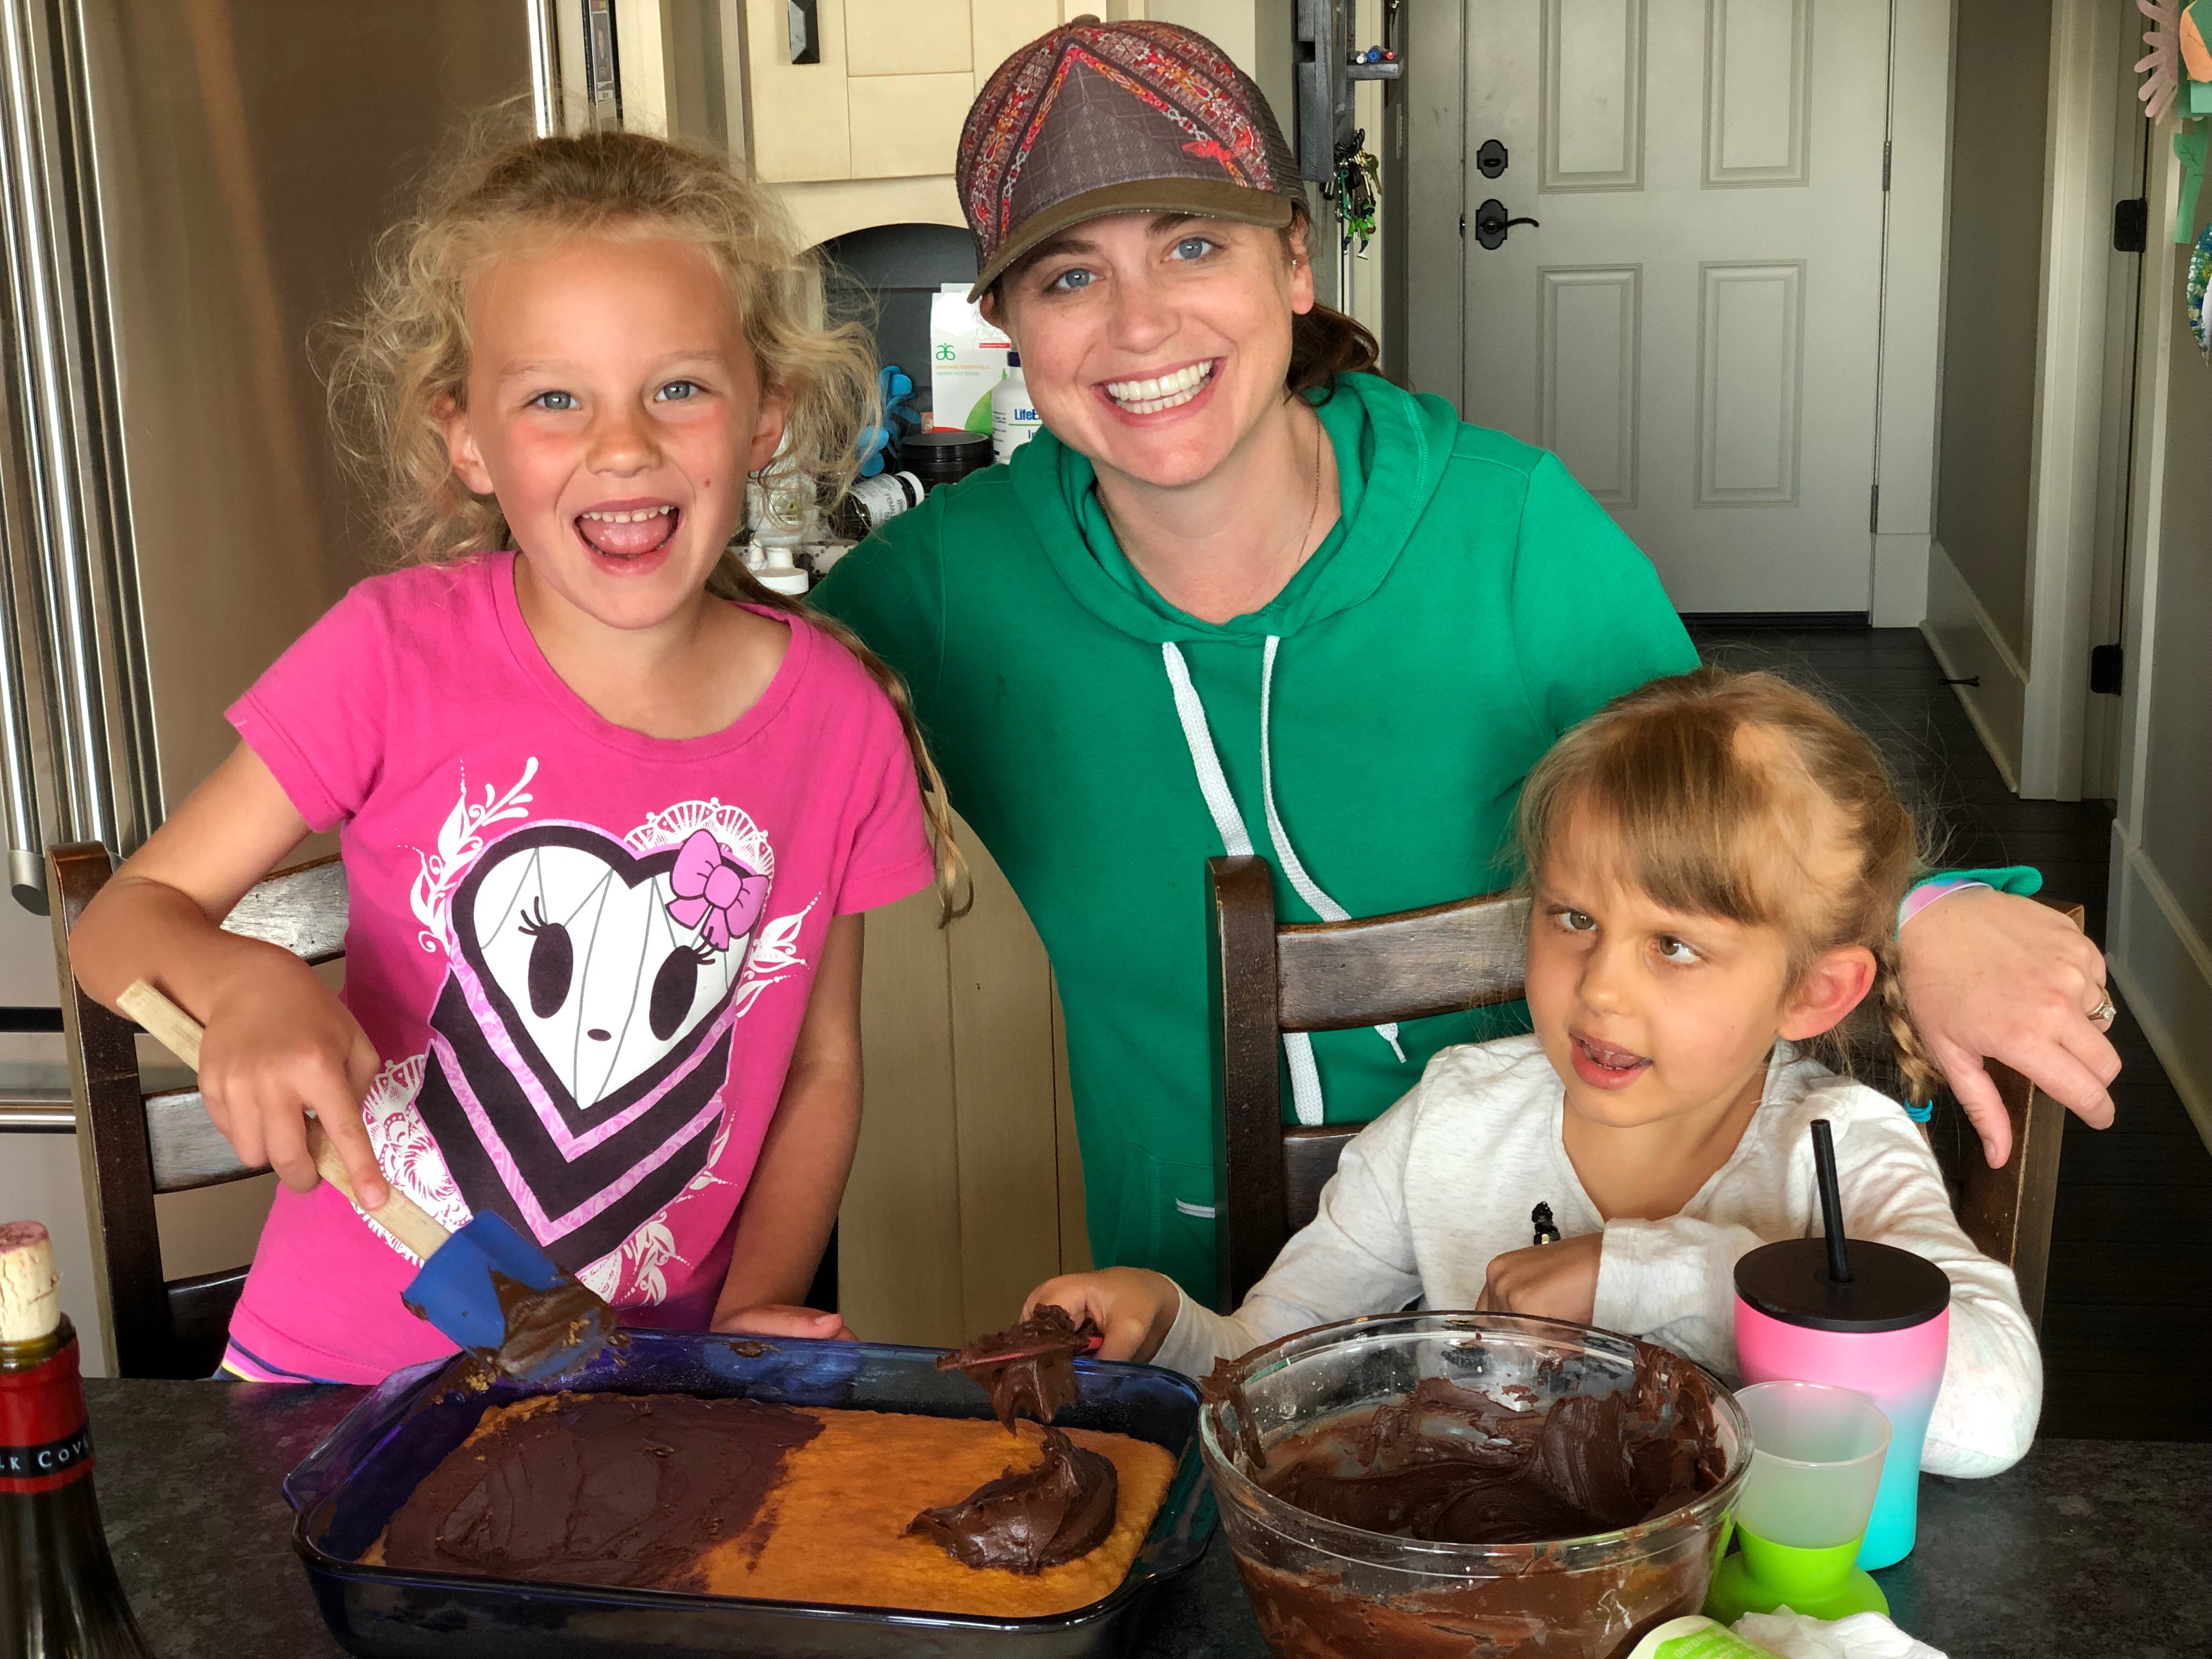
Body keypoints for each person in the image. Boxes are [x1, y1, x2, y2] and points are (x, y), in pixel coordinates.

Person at [811, 18, 2119, 1311]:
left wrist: (1921, 918)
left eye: (1193, 246)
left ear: (1294, 262)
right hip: (1202, 1315)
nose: (1140, 325)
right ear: (1009, 329)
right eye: (1068, 279)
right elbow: (686, 732)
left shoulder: (1511, 532)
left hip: (1561, 1294)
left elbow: (1735, 817)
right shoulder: (933, 593)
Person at [65, 130, 953, 1385]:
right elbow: (120, 926)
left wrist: (754, 1311)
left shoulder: (837, 719)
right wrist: (247, 981)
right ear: (468, 440)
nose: (624, 445)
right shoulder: (390, 655)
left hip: (649, 1388)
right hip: (327, 1385)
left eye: (679, 388)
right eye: (555, 399)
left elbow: (818, 1064)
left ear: (767, 415)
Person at [1029, 668, 2039, 1477]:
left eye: (1675, 947)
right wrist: (1163, 1326)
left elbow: (1990, 1420)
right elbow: (1272, 1366)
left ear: (1814, 993)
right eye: (1575, 920)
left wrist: (1648, 1278)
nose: (1599, 992)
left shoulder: (1840, 1151)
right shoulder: (1452, 1121)